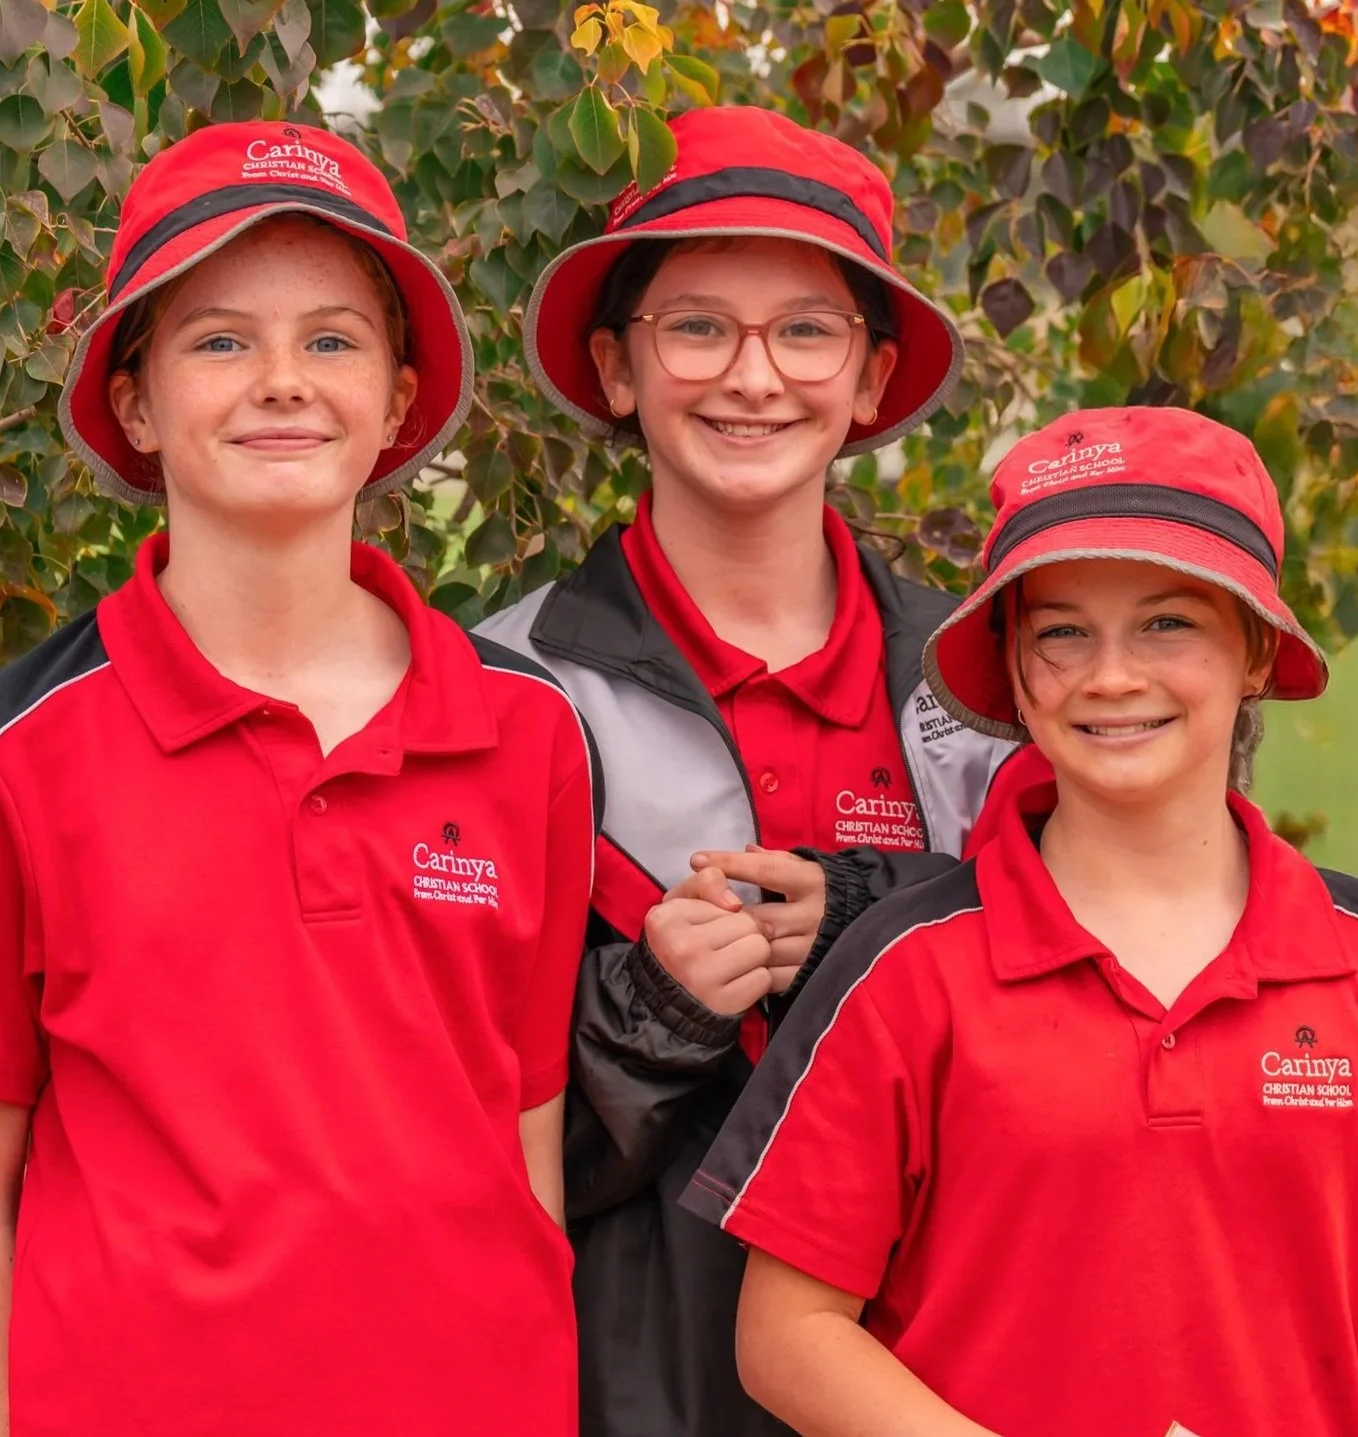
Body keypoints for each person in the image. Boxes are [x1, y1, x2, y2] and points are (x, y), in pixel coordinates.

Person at [0, 121, 596, 1437]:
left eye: (331, 339)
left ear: (397, 397)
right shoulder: (15, 749)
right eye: (220, 339)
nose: (281, 380)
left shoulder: (528, 733)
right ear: (134, 399)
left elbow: (523, 1142)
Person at [682, 405, 1358, 1437]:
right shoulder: (904, 966)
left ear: (1254, 650)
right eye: (1061, 634)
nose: (1110, 676)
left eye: (1166, 622)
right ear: (1015, 675)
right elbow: (785, 1333)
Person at [477, 105, 1013, 1435]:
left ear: (871, 379)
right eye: (697, 325)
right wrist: (642, 1015)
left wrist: (867, 922)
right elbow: (441, 1138)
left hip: (939, 1373)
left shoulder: (986, 699)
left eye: (805, 330)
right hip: (615, 1383)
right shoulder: (500, 694)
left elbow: (1069, 1056)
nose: (751, 376)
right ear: (614, 366)